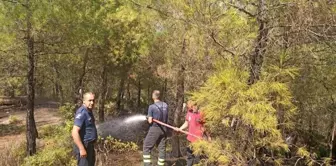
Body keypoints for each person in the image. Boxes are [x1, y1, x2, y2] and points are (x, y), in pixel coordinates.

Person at [177, 100, 211, 166]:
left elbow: (205, 126)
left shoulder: (201, 114)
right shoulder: (189, 113)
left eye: (193, 107)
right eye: (190, 107)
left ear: (195, 105)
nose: (192, 108)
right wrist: (180, 129)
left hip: (198, 140)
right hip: (190, 139)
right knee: (189, 156)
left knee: (197, 158)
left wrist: (208, 136)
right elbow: (186, 123)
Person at [143, 90, 169, 166]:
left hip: (155, 129)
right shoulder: (165, 105)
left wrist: (148, 117)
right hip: (164, 129)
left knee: (146, 147)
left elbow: (150, 121)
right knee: (162, 149)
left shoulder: (152, 107)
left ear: (153, 96)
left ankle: (147, 165)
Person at [72, 92, 97, 166]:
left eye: (93, 100)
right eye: (89, 100)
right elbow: (74, 132)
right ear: (84, 101)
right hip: (84, 146)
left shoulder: (89, 111)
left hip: (90, 146)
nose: (92, 103)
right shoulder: (82, 112)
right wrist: (82, 149)